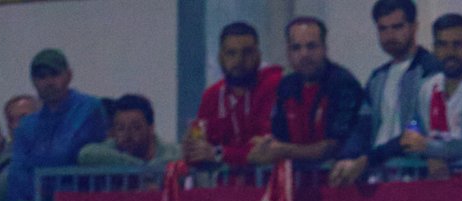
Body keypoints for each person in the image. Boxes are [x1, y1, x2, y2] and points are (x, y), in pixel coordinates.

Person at [327, 0, 442, 184]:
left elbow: (418, 125)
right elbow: (363, 124)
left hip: (414, 173)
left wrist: (370, 158)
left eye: (397, 27)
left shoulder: (431, 70)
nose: (389, 35)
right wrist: (348, 156)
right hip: (376, 175)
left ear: (414, 27)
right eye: (383, 29)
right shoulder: (377, 77)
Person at [251, 18, 365, 170]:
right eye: (296, 48)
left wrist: (283, 150)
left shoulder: (343, 84)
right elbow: (278, 137)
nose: (304, 54)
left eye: (311, 46)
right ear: (288, 52)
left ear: (325, 48)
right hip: (294, 184)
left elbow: (333, 147)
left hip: (335, 184)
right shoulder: (286, 86)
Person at [7, 49, 108, 201]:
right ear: (33, 81)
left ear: (69, 76)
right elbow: (17, 173)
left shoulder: (89, 108)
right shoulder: (27, 125)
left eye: (54, 74)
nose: (48, 82)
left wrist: (41, 177)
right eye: (41, 77)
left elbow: (69, 156)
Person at [401, 13, 462, 177]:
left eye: (457, 44)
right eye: (442, 45)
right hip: (433, 187)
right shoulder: (425, 87)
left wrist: (432, 149)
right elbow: (412, 130)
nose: (450, 52)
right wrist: (424, 150)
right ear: (434, 49)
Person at [184, 22, 283, 169]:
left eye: (247, 52)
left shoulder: (275, 86)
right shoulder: (211, 96)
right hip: (227, 188)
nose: (239, 60)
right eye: (231, 53)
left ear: (258, 55)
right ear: (220, 57)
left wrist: (218, 153)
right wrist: (192, 150)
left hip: (270, 185)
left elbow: (265, 150)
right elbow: (200, 152)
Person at [78, 94, 181, 167]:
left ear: (151, 128)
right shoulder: (112, 147)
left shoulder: (172, 153)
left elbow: (184, 158)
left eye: (136, 127)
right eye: (120, 128)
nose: (127, 135)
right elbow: (86, 154)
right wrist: (142, 170)